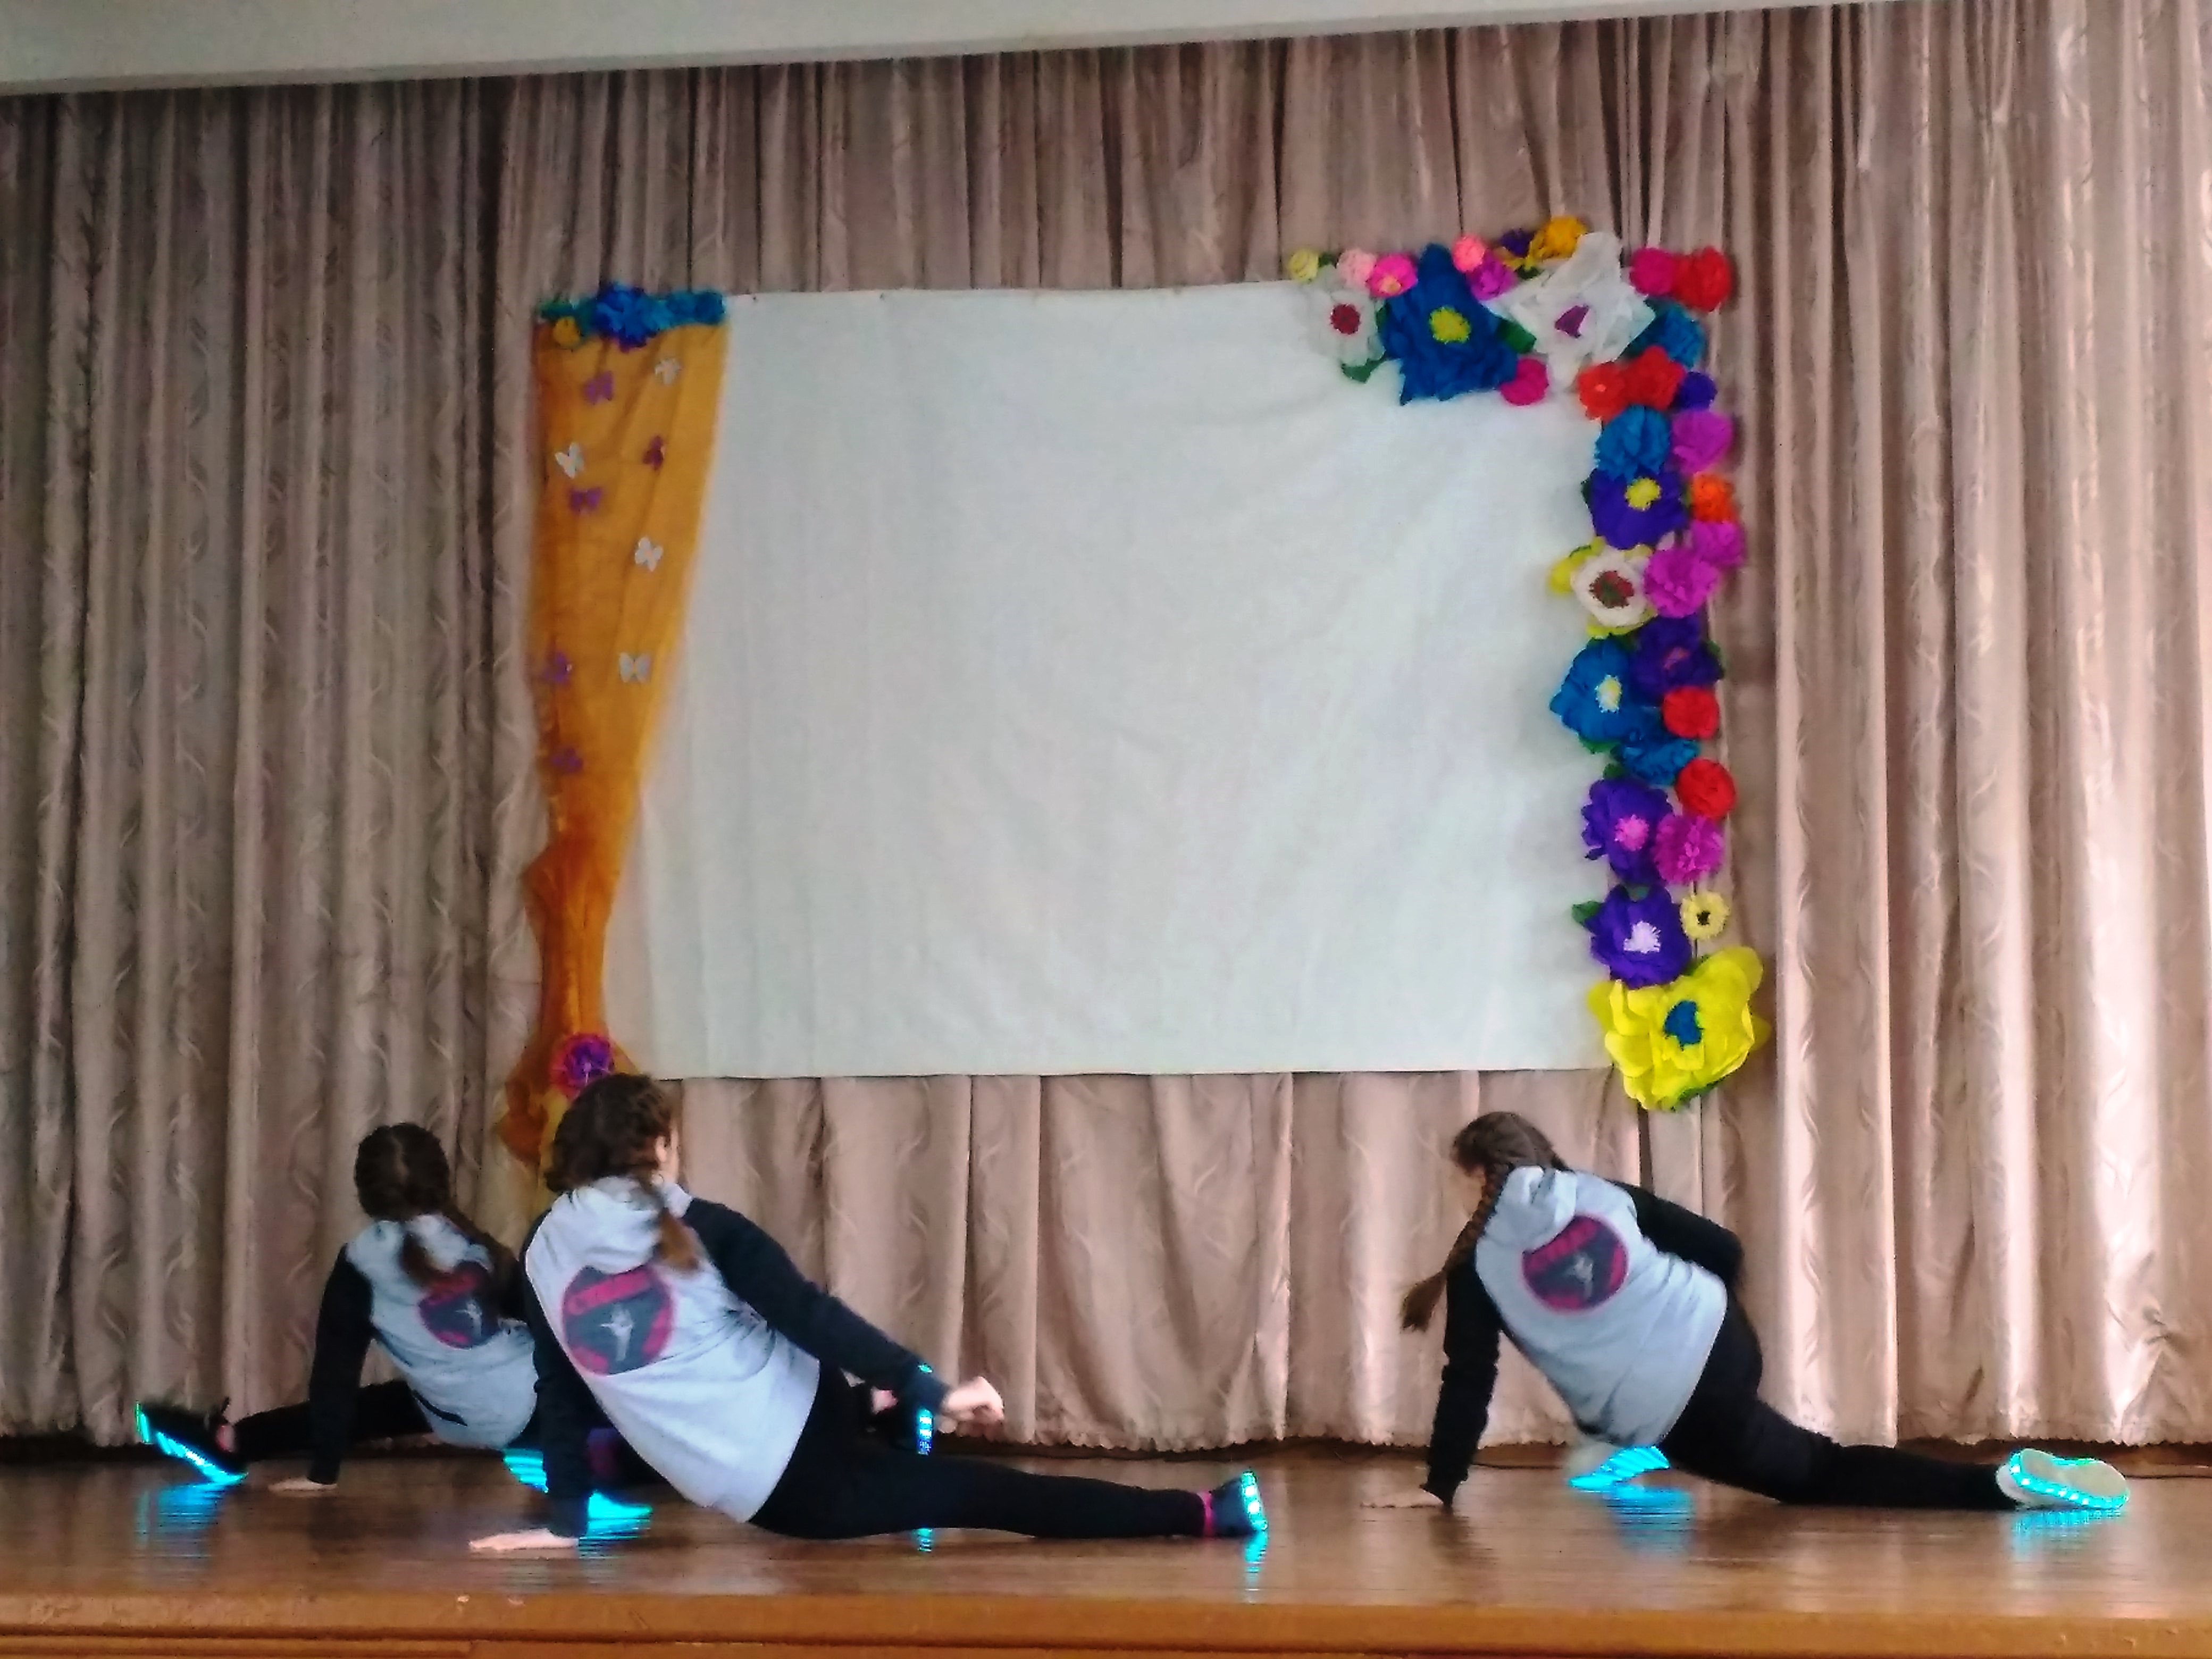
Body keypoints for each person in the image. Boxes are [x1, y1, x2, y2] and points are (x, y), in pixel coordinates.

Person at [470, 1074, 1266, 1552]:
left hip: (766, 1482)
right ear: (663, 1148)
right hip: (802, 1459)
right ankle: (1195, 1512)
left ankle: (885, 1411)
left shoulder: (540, 1252)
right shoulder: (707, 1228)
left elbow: (560, 1394)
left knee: (968, 1487)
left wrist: (565, 1520)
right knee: (988, 1494)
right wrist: (933, 1388)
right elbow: (810, 1318)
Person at [1370, 1112, 2127, 1516]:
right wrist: (1691, 1321)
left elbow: (1469, 1381)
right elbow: (1722, 1248)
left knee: (1819, 1473)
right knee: (1623, 1410)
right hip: (1722, 1338)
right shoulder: (1603, 1194)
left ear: (1475, 1179)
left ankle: (1998, 1488)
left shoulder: (1476, 1267)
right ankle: (1625, 1444)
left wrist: (1438, 1486)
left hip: (1678, 1410)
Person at [138, 1124, 633, 1493]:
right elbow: (548, 1326)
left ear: (364, 1194)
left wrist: (324, 1473)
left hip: (453, 1413)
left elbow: (335, 1377)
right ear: (443, 1180)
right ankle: (587, 1460)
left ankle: (232, 1442)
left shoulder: (360, 1264)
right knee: (626, 1415)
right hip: (532, 1405)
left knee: (389, 1402)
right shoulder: (475, 1246)